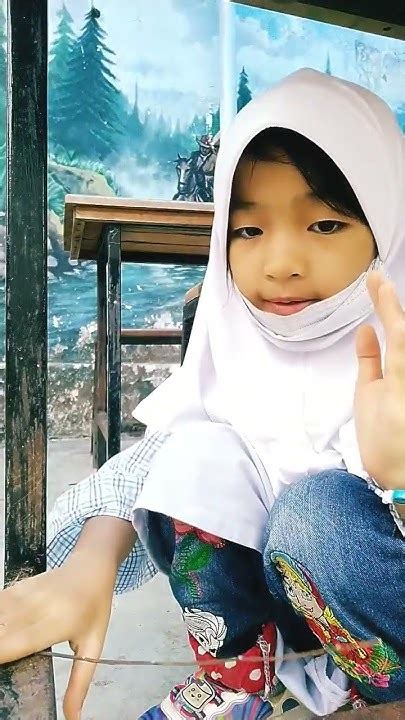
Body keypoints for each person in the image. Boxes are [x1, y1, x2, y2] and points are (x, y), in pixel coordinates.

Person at [0, 69, 404, 720]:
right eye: (248, 230)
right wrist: (87, 568)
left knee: (315, 515)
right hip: (304, 623)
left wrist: (400, 481)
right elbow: (152, 463)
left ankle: (381, 697)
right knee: (195, 456)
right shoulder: (241, 341)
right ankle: (242, 679)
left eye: (325, 224)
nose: (280, 263)